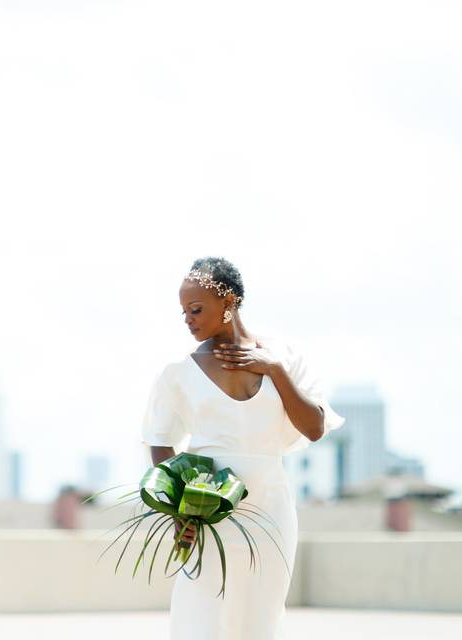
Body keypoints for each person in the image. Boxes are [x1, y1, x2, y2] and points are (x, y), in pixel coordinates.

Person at [141, 256, 345, 640]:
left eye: (196, 309)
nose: (188, 319)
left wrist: (274, 370)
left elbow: (315, 428)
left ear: (229, 301)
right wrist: (180, 511)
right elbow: (159, 440)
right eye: (184, 311)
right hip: (208, 510)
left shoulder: (284, 355)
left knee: (260, 621)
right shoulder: (177, 372)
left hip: (271, 509)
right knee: (199, 618)